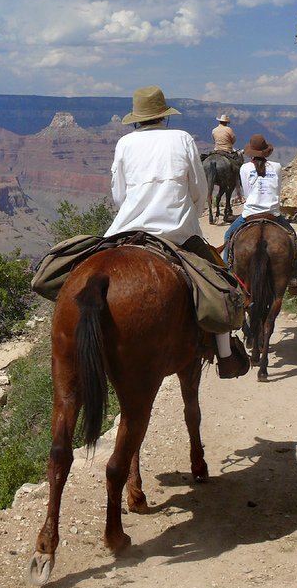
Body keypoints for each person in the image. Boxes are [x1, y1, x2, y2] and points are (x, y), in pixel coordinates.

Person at [105, 86, 249, 378]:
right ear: (164, 116)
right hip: (177, 231)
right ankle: (225, 356)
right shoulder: (181, 138)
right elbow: (199, 189)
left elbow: (118, 195)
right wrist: (192, 216)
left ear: (136, 118)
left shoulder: (124, 143)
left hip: (126, 229)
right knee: (219, 282)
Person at [223, 134, 297, 293]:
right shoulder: (276, 167)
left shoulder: (245, 168)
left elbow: (247, 193)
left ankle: (226, 276)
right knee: (292, 237)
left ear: (251, 152)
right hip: (272, 214)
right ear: (265, 151)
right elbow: (277, 188)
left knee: (228, 236)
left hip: (250, 214)